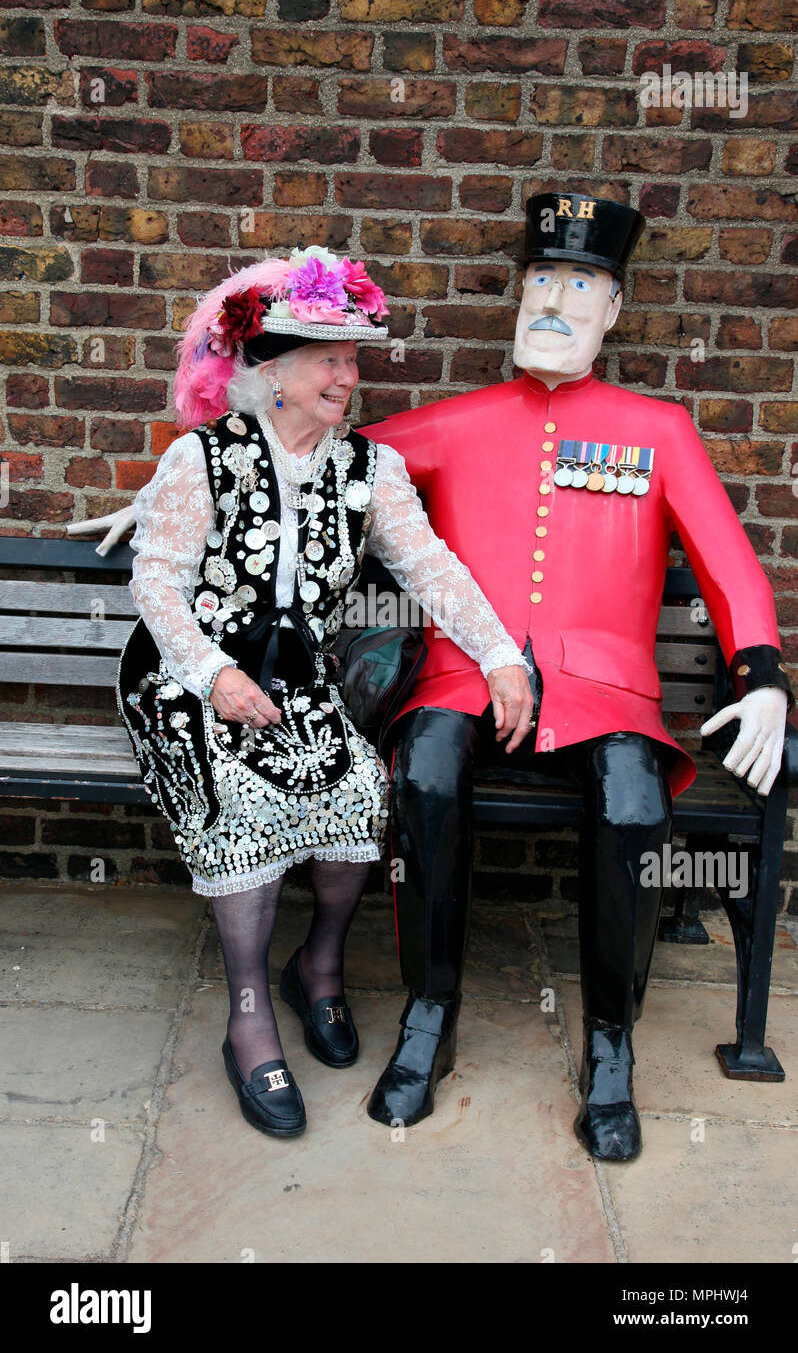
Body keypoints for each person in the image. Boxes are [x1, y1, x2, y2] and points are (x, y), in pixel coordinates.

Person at [360, 194, 793, 1160]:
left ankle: (610, 1042)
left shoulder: (657, 430)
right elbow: (317, 466)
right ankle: (430, 1015)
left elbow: (727, 562)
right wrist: (196, 489)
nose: (554, 300)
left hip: (607, 691)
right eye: (542, 280)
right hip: (467, 676)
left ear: (614, 307)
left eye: (580, 284)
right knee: (424, 772)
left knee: (636, 805)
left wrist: (760, 675)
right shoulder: (459, 422)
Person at [116, 245, 534, 1139]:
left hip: (295, 675)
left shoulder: (369, 470)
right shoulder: (202, 460)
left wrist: (501, 656)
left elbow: (432, 570)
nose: (350, 378)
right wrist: (213, 675)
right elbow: (154, 586)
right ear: (273, 373)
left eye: (353, 363)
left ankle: (320, 966)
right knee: (240, 794)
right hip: (185, 672)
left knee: (354, 791)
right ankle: (248, 1017)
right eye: (330, 362)